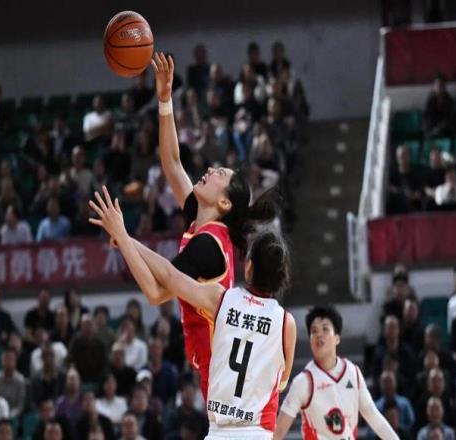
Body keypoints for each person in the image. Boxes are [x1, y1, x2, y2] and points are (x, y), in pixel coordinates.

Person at [122, 52, 280, 402]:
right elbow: (172, 162)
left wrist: (124, 237)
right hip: (218, 370)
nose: (209, 171)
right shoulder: (203, 219)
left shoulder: (208, 246)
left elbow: (156, 292)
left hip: (223, 374)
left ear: (224, 203)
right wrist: (165, 101)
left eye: (219, 174)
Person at [89, 188, 296, 438]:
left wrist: (124, 237)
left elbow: (169, 274)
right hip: (258, 433)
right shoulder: (286, 324)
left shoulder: (221, 298)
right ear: (281, 277)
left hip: (219, 432)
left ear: (248, 267)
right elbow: (281, 382)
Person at [274, 306, 398, 440]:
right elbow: (279, 431)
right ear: (310, 340)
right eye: (314, 331)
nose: (319, 334)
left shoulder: (353, 372)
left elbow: (374, 417)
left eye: (325, 329)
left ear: (337, 338)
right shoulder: (303, 382)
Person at [0, 348, 26, 419]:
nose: (8, 363)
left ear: (15, 362)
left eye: (11, 359)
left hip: (14, 416)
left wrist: (9, 416)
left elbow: (20, 406)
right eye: (6, 359)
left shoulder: (20, 380)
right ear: (1, 362)